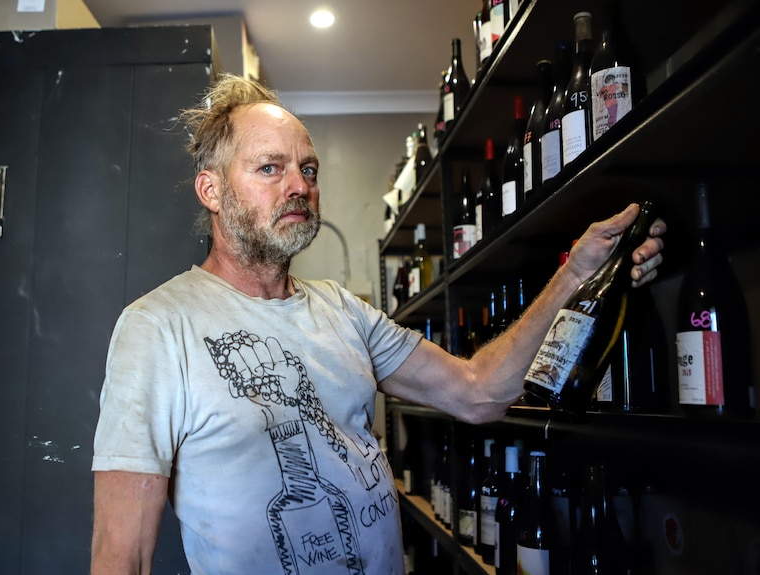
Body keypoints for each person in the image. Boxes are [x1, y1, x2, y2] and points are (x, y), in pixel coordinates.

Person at [90, 74, 666, 575]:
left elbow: (479, 392)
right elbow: (124, 556)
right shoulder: (157, 328)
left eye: (308, 169)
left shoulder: (344, 310)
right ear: (211, 190)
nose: (299, 186)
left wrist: (574, 276)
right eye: (271, 168)